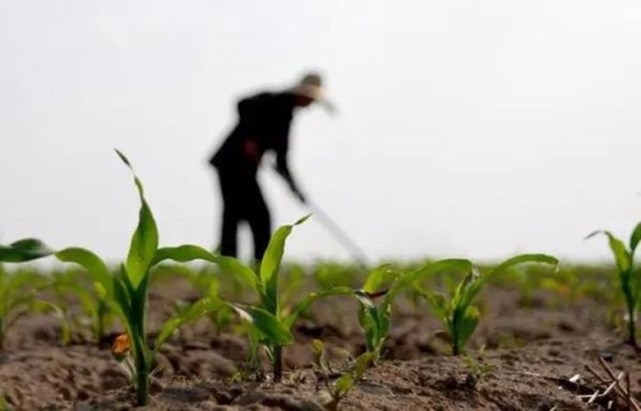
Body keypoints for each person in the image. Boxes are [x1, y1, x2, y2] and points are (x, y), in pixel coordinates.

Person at [209, 72, 330, 261]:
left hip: (247, 169)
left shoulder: (287, 118)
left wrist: (296, 189)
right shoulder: (273, 100)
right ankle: (229, 263)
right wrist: (249, 138)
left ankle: (259, 265)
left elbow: (281, 162)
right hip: (230, 163)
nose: (311, 104)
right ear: (302, 94)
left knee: (257, 218)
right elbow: (243, 103)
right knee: (237, 214)